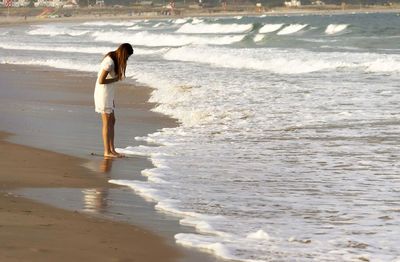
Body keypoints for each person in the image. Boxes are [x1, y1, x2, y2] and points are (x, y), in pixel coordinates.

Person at [94, 43, 133, 157]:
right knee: (107, 122)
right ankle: (107, 151)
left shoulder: (113, 59)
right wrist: (115, 79)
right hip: (103, 94)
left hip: (108, 94)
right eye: (127, 56)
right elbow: (101, 80)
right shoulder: (110, 61)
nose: (126, 59)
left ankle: (112, 149)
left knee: (112, 121)